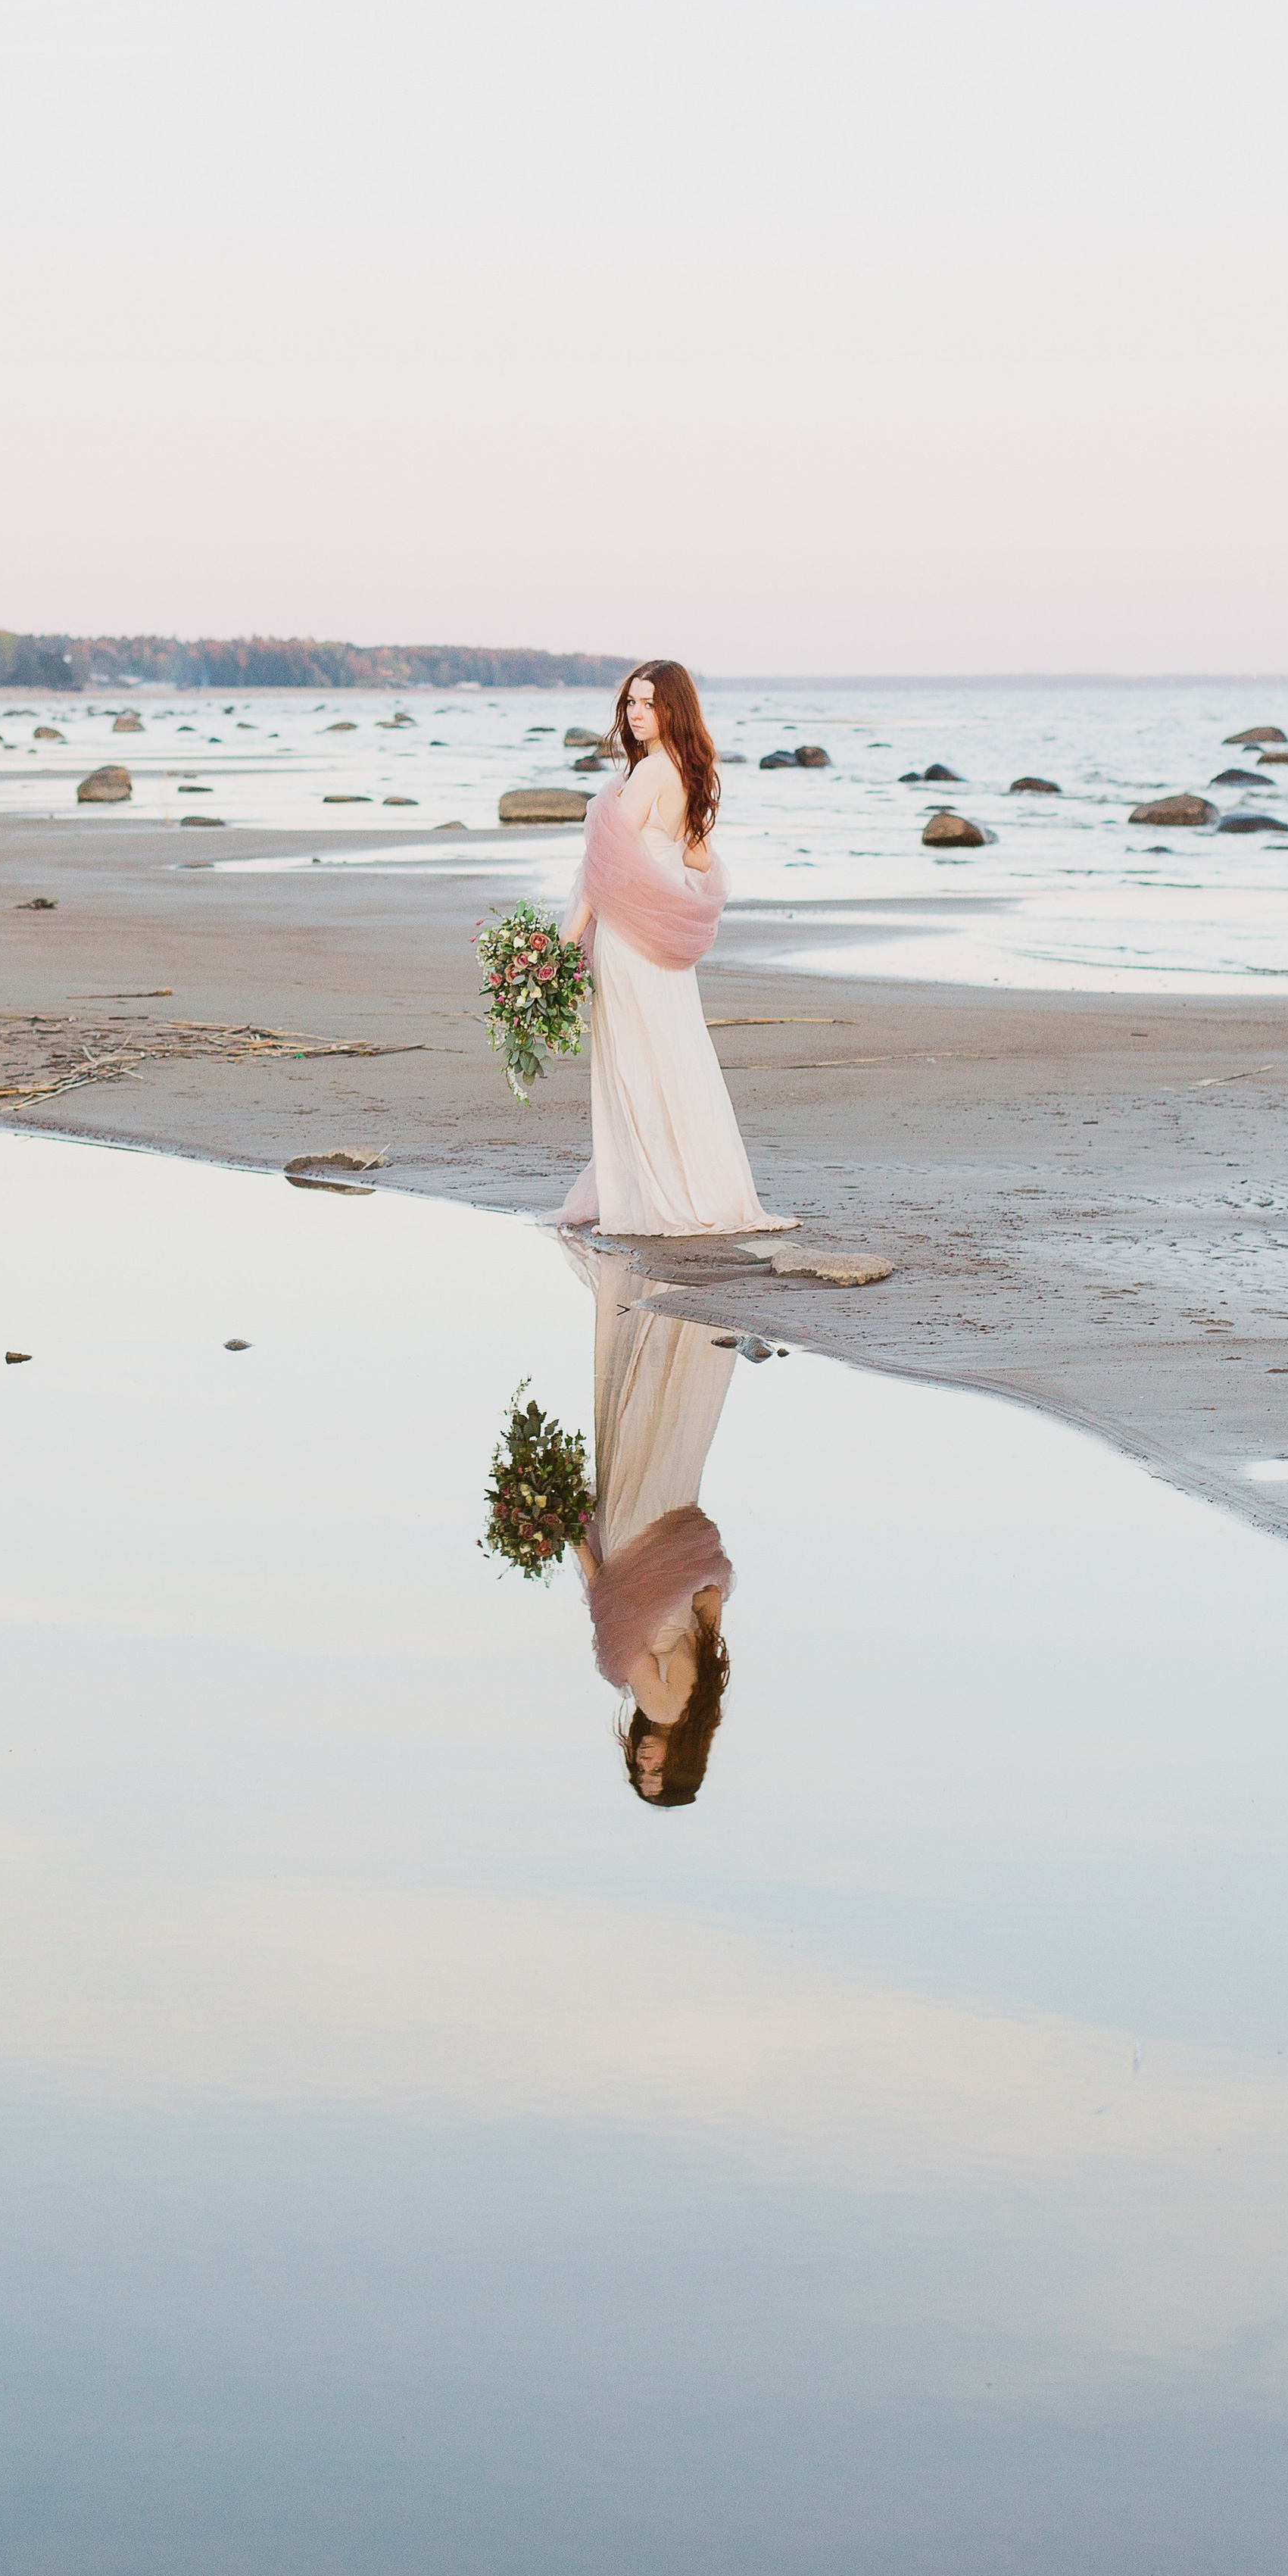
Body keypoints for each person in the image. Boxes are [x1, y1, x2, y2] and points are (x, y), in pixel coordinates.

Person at [559, 658, 792, 1237]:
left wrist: (560, 947)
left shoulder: (650, 774)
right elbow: (697, 858)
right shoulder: (688, 771)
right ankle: (705, 1190)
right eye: (632, 703)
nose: (637, 714)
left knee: (640, 1066)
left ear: (673, 709)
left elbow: (601, 868)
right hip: (657, 948)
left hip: (630, 944)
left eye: (649, 704)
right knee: (678, 1059)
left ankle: (657, 1197)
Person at [564, 1241, 738, 1808]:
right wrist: (577, 1545)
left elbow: (710, 1596)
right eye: (658, 1773)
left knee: (666, 1437)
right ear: (682, 1759)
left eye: (641, 1777)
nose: (644, 1765)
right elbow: (613, 1615)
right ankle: (647, 1300)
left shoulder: (705, 1693)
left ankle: (678, 1310)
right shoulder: (661, 1707)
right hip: (637, 1548)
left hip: (667, 1544)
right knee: (632, 1432)